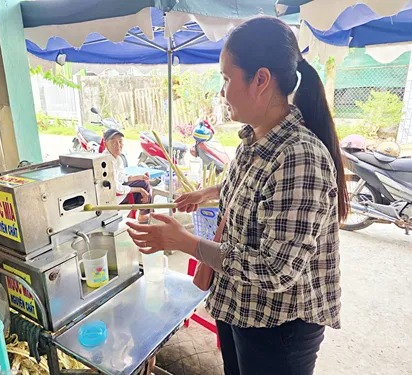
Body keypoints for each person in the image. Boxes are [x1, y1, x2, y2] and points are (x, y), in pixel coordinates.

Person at [126, 16, 348, 375]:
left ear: (260, 80)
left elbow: (276, 270)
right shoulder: (254, 138)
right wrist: (207, 193)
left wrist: (185, 242)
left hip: (279, 325)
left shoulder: (300, 157)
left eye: (227, 79)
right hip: (241, 305)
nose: (222, 91)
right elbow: (250, 185)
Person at [103, 128, 152, 223]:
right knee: (142, 187)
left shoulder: (118, 158)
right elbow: (117, 188)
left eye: (120, 141)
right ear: (106, 144)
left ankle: (142, 213)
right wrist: (140, 190)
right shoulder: (106, 161)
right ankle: (142, 214)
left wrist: (140, 177)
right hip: (111, 197)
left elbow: (122, 178)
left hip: (118, 191)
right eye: (113, 142)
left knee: (143, 182)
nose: (118, 145)